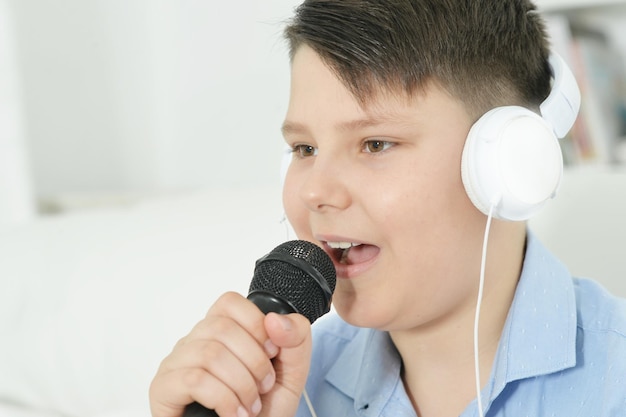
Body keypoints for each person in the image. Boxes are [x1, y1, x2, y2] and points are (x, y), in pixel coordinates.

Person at [149, 1, 626, 416]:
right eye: (304, 149)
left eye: (375, 144)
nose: (316, 190)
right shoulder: (276, 392)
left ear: (505, 164)